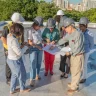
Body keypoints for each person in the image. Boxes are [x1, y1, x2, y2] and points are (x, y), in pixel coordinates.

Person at [58, 18, 85, 94]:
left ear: (71, 26)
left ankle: (74, 88)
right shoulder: (69, 34)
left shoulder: (78, 34)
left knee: (76, 71)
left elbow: (78, 48)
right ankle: (73, 83)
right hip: (73, 55)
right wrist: (55, 44)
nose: (65, 29)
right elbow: (63, 40)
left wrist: (69, 52)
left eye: (66, 27)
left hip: (78, 55)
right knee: (73, 70)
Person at [1, 12, 25, 85]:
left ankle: (16, 76)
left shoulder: (19, 26)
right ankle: (8, 79)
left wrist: (22, 43)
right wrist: (10, 48)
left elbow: (21, 36)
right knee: (9, 63)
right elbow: (2, 38)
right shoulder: (7, 27)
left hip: (17, 46)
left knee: (17, 62)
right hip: (8, 48)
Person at [7, 23, 30, 94]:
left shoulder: (9, 35)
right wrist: (26, 47)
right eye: (21, 33)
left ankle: (12, 90)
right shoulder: (13, 39)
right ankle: (22, 89)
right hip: (15, 61)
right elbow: (19, 53)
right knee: (21, 74)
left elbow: (15, 47)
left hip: (11, 59)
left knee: (14, 75)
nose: (21, 35)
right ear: (18, 31)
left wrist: (22, 45)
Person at [28, 17, 43, 87]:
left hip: (40, 47)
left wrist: (46, 42)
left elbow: (40, 39)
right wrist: (37, 47)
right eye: (39, 26)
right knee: (33, 63)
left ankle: (37, 74)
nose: (40, 27)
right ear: (35, 24)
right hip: (33, 48)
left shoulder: (39, 30)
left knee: (39, 62)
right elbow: (30, 42)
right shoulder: (30, 31)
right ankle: (32, 79)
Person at [79, 17, 94, 83]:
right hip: (79, 51)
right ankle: (79, 76)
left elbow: (91, 44)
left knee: (84, 65)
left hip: (85, 51)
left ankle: (84, 77)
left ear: (86, 26)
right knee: (79, 64)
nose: (80, 27)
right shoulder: (79, 32)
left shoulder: (89, 34)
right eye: (80, 26)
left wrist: (88, 49)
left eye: (81, 26)